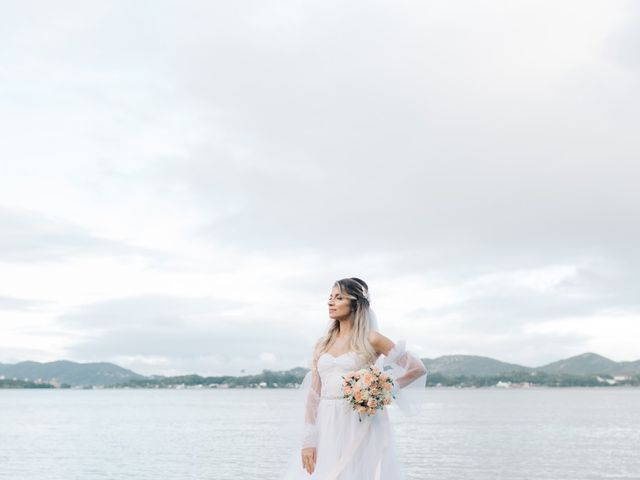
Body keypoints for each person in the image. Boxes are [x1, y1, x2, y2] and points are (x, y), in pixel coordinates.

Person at [280, 277, 428, 479]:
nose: (330, 302)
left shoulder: (372, 339)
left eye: (339, 297)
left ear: (355, 303)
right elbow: (314, 395)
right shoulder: (323, 344)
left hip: (359, 422)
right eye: (330, 297)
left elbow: (416, 369)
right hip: (327, 422)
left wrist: (383, 388)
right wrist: (308, 440)